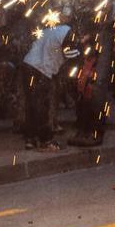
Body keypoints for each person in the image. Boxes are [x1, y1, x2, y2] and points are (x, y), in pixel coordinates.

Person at [21, 12, 82, 151]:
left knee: (32, 105)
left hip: (27, 65)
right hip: (41, 70)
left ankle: (30, 139)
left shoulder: (49, 30)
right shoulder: (67, 32)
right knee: (43, 105)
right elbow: (70, 54)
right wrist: (81, 58)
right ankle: (45, 141)